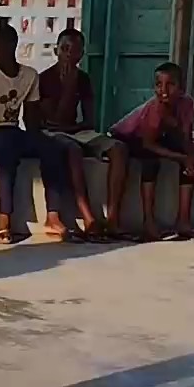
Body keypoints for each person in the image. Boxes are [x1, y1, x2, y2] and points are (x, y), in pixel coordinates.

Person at [0, 23, 78, 245]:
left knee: (52, 149)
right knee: (6, 156)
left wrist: (38, 140)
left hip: (13, 130)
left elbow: (30, 117)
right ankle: (4, 221)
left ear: (10, 48)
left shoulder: (29, 76)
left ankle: (53, 216)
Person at [34, 27, 128, 240]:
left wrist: (75, 126)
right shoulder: (45, 79)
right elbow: (52, 121)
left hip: (77, 130)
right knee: (73, 151)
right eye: (65, 49)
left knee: (119, 149)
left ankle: (113, 217)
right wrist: (67, 89)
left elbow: (89, 119)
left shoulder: (83, 79)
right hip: (53, 134)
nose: (69, 55)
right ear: (56, 50)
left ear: (81, 55)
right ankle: (88, 218)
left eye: (75, 51)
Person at [112, 61, 194, 241]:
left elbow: (186, 136)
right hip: (130, 138)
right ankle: (149, 223)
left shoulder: (187, 104)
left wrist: (191, 157)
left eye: (170, 84)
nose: (164, 90)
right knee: (151, 161)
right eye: (159, 85)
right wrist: (182, 157)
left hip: (160, 137)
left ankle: (183, 220)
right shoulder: (155, 108)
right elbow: (148, 143)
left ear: (181, 87)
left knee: (189, 163)